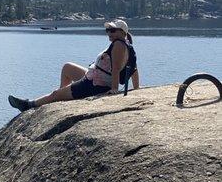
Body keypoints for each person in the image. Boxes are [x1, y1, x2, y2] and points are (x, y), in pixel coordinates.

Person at [8, 19, 140, 112]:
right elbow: (133, 69)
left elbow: (116, 68)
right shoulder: (127, 45)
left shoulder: (118, 45)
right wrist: (137, 88)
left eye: (112, 30)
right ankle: (63, 95)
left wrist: (114, 89)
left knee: (54, 94)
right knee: (67, 68)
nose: (109, 33)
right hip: (96, 78)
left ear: (122, 32)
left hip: (95, 85)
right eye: (108, 30)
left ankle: (28, 105)